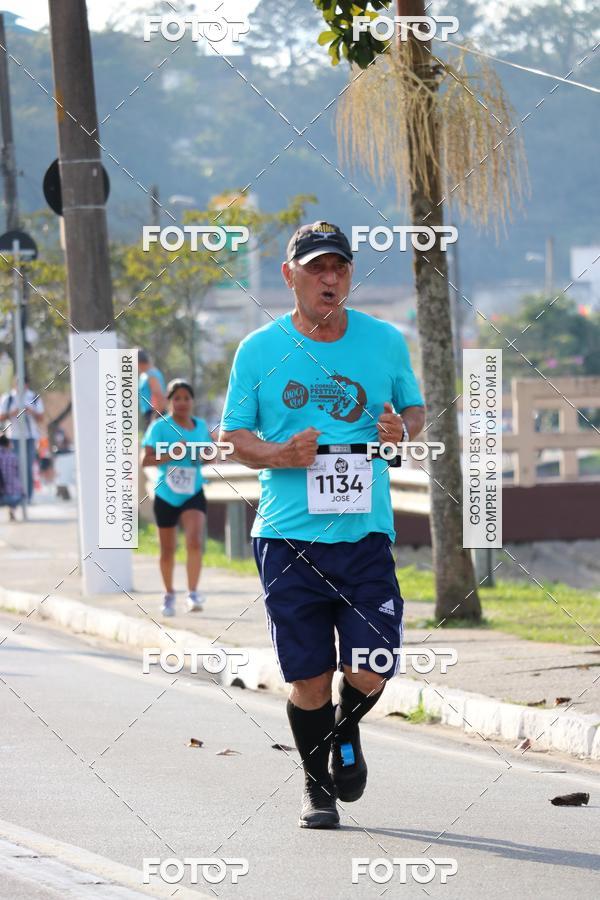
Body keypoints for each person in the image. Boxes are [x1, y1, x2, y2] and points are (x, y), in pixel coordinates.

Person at [220, 221, 425, 829]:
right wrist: (280, 454)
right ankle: (316, 787)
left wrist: (403, 430)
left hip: (364, 537)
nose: (329, 278)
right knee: (308, 680)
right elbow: (234, 437)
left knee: (372, 665)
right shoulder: (259, 350)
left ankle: (345, 730)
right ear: (290, 276)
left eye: (339, 267)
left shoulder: (384, 340)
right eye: (316, 269)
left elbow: (413, 409)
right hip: (288, 541)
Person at [142, 379, 212, 617]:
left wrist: (206, 455)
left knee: (194, 540)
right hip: (167, 493)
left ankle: (192, 593)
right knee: (168, 548)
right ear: (169, 401)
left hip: (193, 490)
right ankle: (169, 593)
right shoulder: (159, 427)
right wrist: (172, 453)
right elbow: (146, 460)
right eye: (177, 398)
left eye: (186, 398)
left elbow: (208, 456)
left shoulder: (201, 426)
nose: (182, 402)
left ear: (193, 401)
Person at [0, 377, 44, 501]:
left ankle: (27, 497)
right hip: (13, 438)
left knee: (28, 467)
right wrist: (12, 413)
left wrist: (30, 411)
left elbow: (41, 418)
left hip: (29, 438)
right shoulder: (8, 398)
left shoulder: (33, 397)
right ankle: (13, 495)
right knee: (14, 467)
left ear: (27, 385)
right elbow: (1, 417)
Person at [138, 350, 167, 429]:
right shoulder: (144, 374)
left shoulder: (151, 374)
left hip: (154, 414)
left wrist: (154, 417)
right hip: (149, 414)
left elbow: (158, 395)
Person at [0, 433, 23, 521]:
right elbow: (18, 475)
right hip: (13, 497)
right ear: (8, 444)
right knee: (19, 492)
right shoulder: (13, 457)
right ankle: (12, 510)